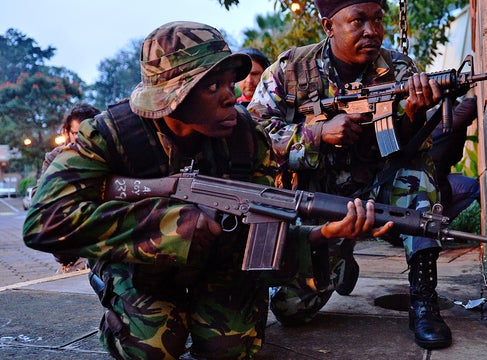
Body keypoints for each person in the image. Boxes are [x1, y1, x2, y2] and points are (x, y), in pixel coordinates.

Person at [23, 21, 391, 360]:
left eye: (229, 82)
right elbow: (44, 221)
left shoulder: (247, 137)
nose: (231, 96)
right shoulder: (110, 135)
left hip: (219, 261)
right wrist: (166, 226)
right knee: (150, 346)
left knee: (230, 348)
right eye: (212, 86)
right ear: (172, 97)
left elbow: (259, 237)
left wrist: (324, 234)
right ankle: (122, 303)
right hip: (141, 267)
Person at [248, 0, 452, 350]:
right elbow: (253, 136)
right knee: (290, 310)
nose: (371, 31)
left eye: (377, 20)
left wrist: (416, 116)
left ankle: (423, 298)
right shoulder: (289, 69)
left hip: (380, 186)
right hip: (319, 203)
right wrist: (318, 133)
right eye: (358, 21)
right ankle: (341, 259)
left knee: (417, 175)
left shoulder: (400, 69)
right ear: (329, 26)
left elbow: (413, 147)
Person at [40, 103, 100, 273]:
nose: (83, 139)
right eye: (76, 134)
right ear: (68, 132)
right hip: (72, 247)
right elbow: (40, 198)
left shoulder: (109, 155)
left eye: (89, 133)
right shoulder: (55, 157)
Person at [429, 96, 480, 220]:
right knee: (473, 187)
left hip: (426, 182)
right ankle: (438, 224)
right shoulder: (440, 118)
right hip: (432, 185)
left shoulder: (427, 115)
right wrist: (457, 94)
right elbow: (470, 106)